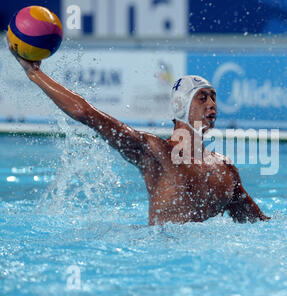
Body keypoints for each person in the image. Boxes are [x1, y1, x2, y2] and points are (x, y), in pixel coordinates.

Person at [8, 42, 270, 225]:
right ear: (180, 106)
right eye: (202, 98)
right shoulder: (155, 152)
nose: (212, 104)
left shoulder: (225, 169)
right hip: (160, 262)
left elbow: (259, 226)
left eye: (214, 98)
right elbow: (85, 113)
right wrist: (34, 73)